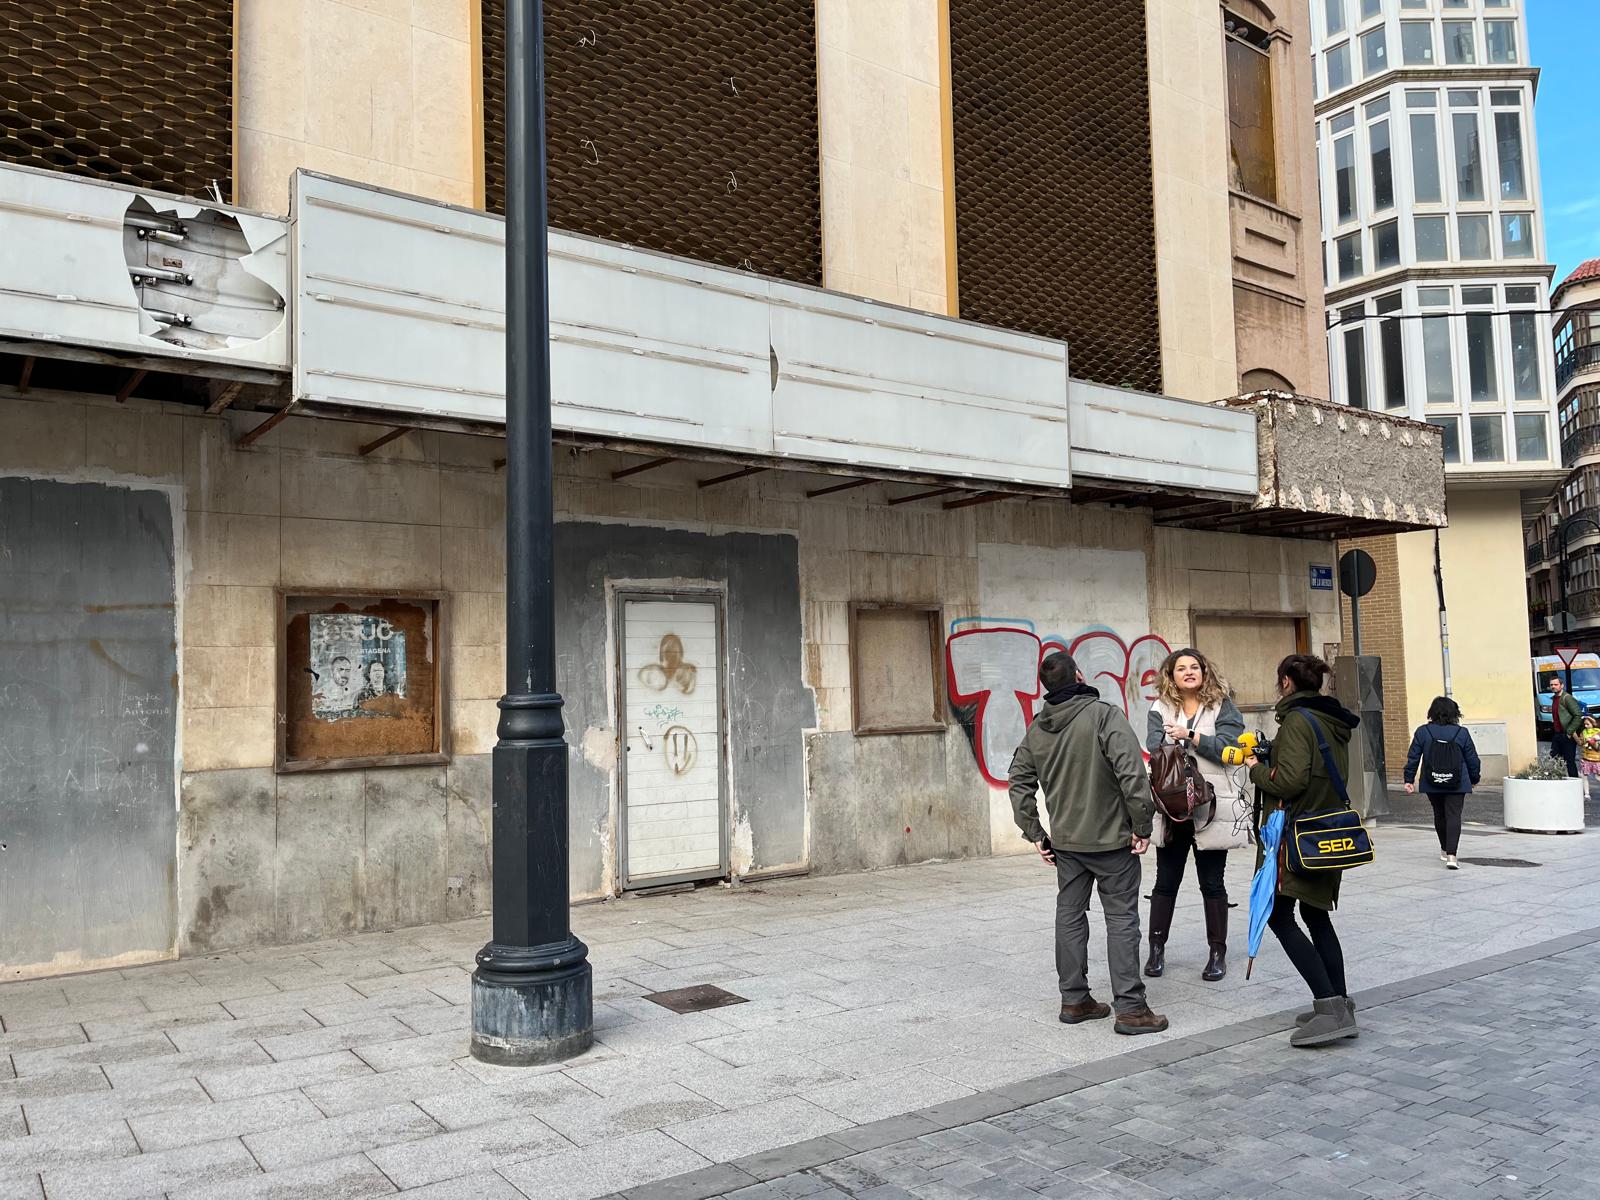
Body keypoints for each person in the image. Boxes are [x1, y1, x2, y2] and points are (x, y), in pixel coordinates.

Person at [1009, 651, 1168, 1035]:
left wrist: (1036, 834)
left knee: (1069, 914)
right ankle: (1131, 1009)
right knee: (1121, 918)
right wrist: (1142, 826)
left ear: (1047, 687)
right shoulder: (1104, 715)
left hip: (1067, 844)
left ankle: (1075, 1000)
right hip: (1112, 840)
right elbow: (1133, 774)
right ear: (1079, 675)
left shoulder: (1038, 728)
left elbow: (1018, 783)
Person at [1246, 654, 1360, 1048]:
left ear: (1287, 683)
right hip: (1327, 829)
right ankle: (1340, 1001)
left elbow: (1291, 781)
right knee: (1315, 914)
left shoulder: (1297, 720)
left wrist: (1256, 769)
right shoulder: (1331, 720)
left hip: (1299, 835)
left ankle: (1330, 1009)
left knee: (1279, 916)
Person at [1143, 648, 1248, 982]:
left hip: (1210, 807)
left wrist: (1191, 736)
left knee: (1212, 883)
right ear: (1170, 676)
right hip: (1172, 807)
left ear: (1204, 671)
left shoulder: (1223, 706)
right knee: (1165, 881)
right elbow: (1154, 746)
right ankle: (1156, 950)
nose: (1188, 672)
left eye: (1194, 667)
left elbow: (1230, 749)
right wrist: (1170, 741)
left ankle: (1218, 953)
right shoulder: (1159, 708)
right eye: (1180, 669)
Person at [1402, 696, 1482, 871]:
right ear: (1455, 713)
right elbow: (1472, 759)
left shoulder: (1423, 731)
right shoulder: (1461, 733)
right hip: (1457, 782)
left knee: (1439, 814)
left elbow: (1413, 757)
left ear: (1432, 712)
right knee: (1453, 815)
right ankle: (1452, 856)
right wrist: (1474, 778)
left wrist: (1409, 779)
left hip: (1432, 781)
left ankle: (1444, 849)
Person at [1549, 675, 1583, 778]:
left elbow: (1578, 715)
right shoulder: (1554, 698)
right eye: (1551, 685)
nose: (1553, 686)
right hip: (1557, 734)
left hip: (1567, 734)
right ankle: (1560, 783)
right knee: (1555, 759)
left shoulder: (1567, 698)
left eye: (1556, 684)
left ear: (1562, 685)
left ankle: (1574, 785)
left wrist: (1569, 732)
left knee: (1569, 761)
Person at [1580, 716, 1600, 794]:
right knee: (1584, 776)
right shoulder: (1583, 733)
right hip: (1586, 758)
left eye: (1587, 724)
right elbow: (1581, 743)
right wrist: (1574, 735)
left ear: (1593, 723)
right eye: (1584, 724)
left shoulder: (1598, 732)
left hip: (1597, 759)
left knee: (1598, 776)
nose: (1586, 726)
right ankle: (1587, 794)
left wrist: (1591, 741)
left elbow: (1598, 748)